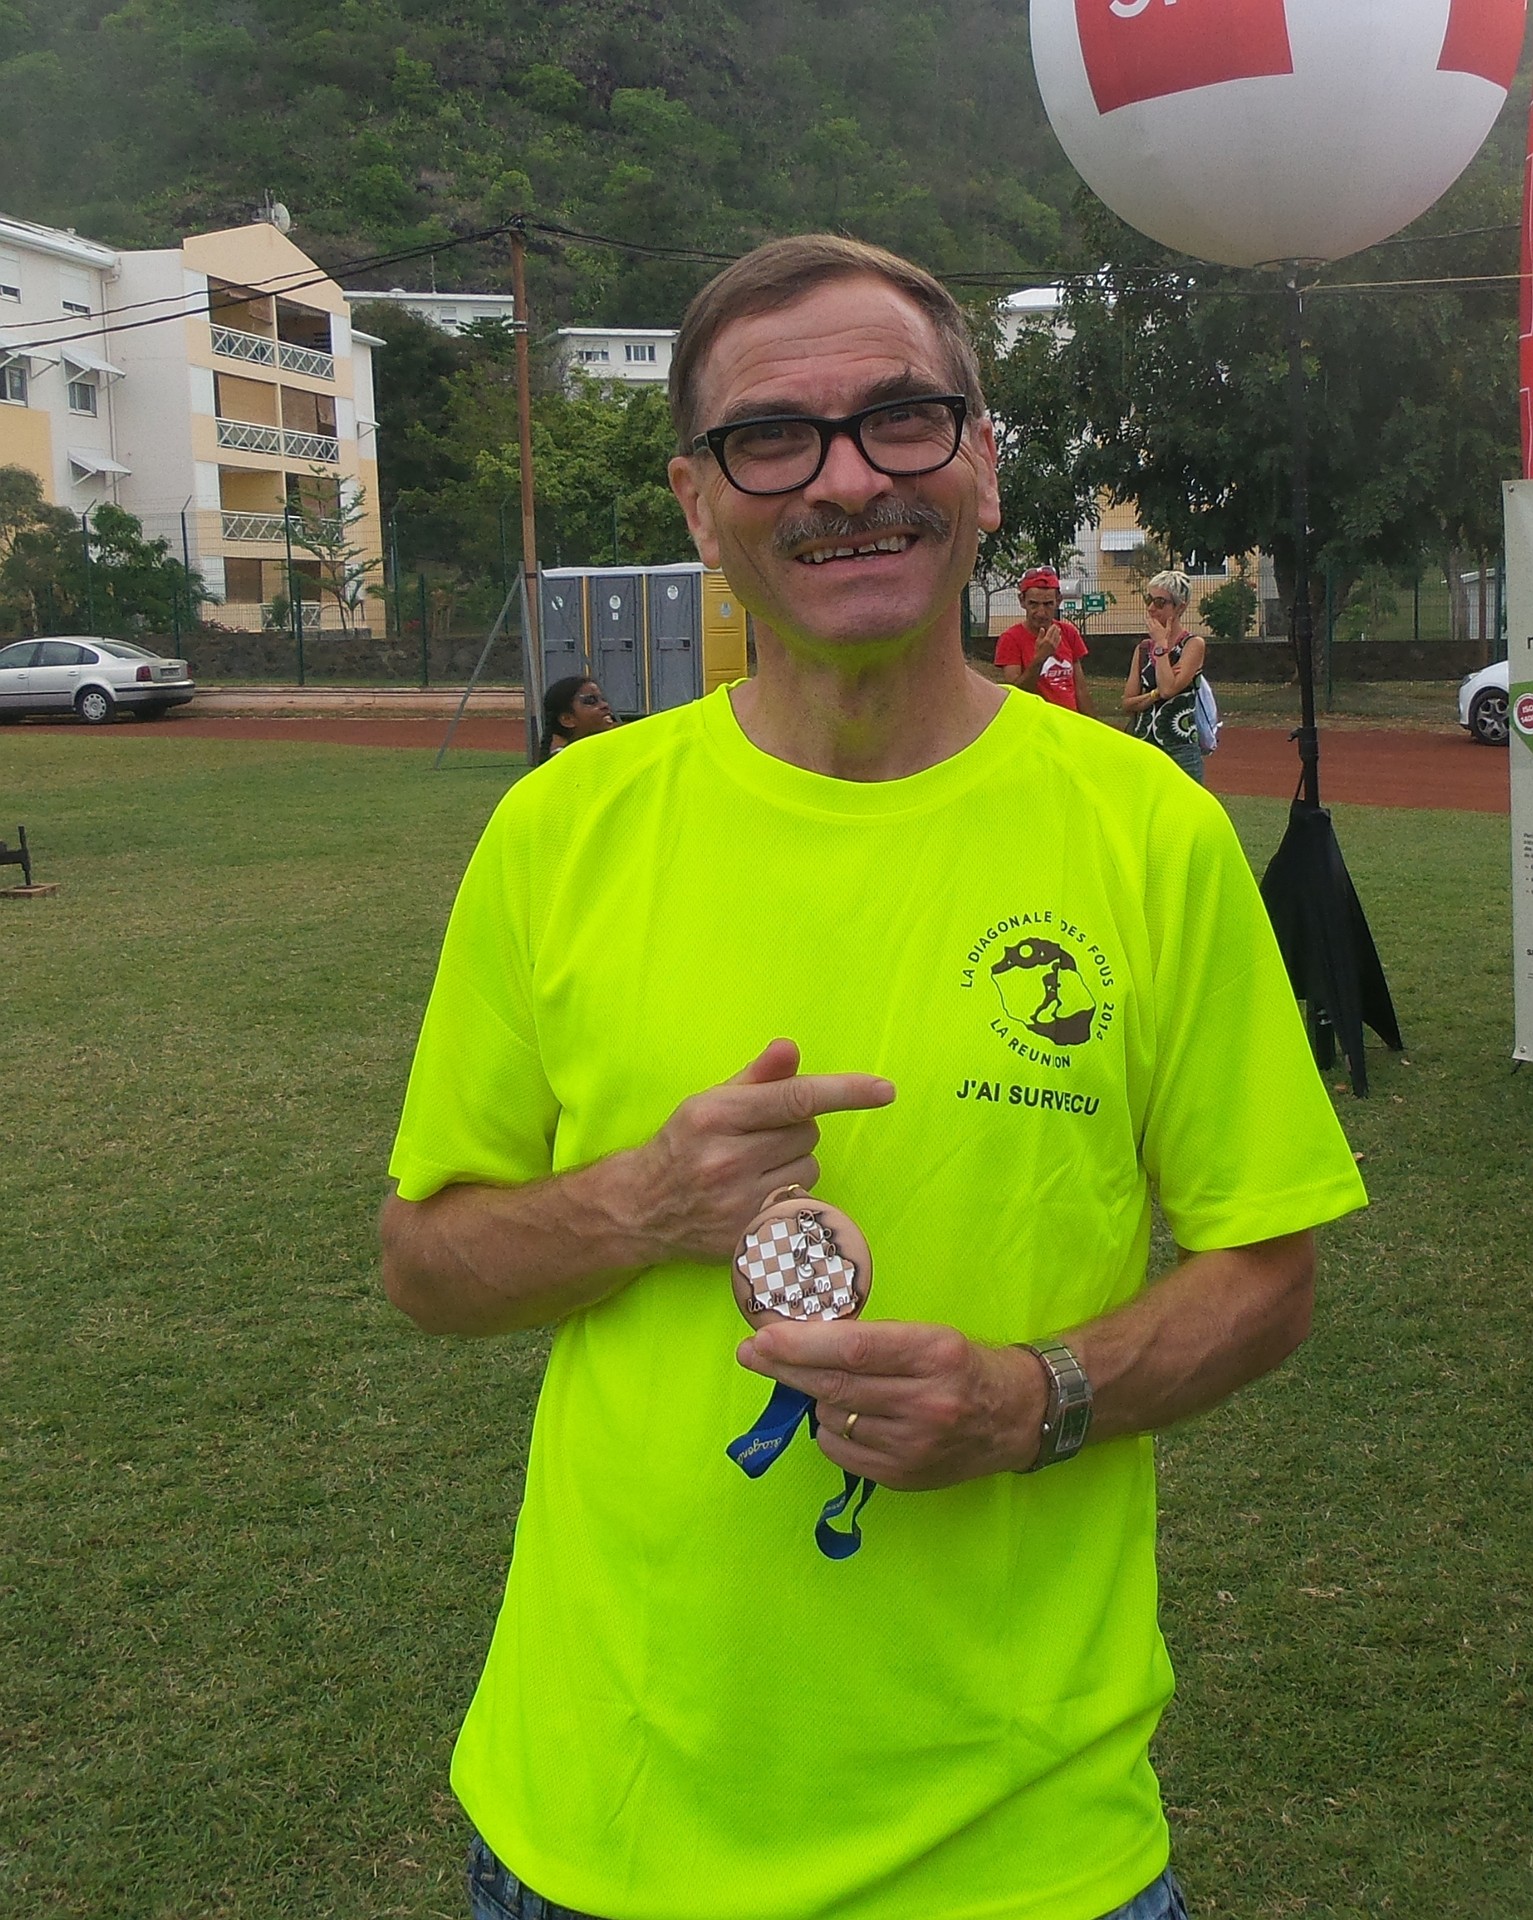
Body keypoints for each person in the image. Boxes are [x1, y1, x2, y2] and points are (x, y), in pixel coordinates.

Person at [382, 234, 1367, 1920]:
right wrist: (640, 1203)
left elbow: (1264, 1272)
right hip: (602, 1836)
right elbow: (425, 1262)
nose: (847, 480)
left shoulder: (1144, 833)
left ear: (982, 463)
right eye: (773, 438)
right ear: (699, 501)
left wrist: (1027, 1398)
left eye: (901, 420)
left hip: (1025, 1853)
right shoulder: (561, 832)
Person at [1122, 571, 1206, 781]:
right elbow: (1128, 703)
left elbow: (1170, 690)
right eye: (1149, 600)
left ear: (1180, 607)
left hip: (1180, 747)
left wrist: (1161, 646)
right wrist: (1155, 693)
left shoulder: (1192, 645)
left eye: (1160, 603)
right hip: (1144, 743)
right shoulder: (1142, 649)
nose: (1151, 608)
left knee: (1185, 810)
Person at [994, 563, 1094, 713]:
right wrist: (1040, 658)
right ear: (1022, 601)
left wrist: (1091, 727)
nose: (1041, 612)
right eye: (1033, 604)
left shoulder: (1068, 632)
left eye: (1048, 604)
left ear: (1058, 601)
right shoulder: (1010, 639)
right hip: (1036, 723)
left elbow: (1080, 689)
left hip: (1068, 721)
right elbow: (1016, 695)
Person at [538, 675, 615, 761]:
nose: (605, 705)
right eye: (591, 701)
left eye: (603, 699)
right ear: (567, 719)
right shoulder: (562, 764)